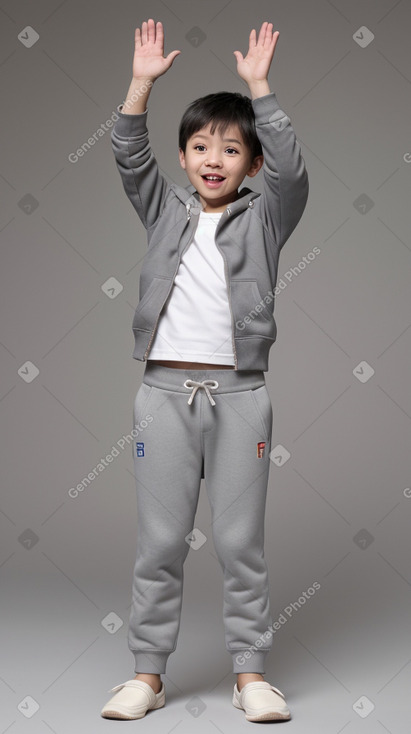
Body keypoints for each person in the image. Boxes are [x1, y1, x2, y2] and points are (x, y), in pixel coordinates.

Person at [101, 18, 308, 722]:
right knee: (159, 541)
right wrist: (140, 84)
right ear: (184, 158)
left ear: (250, 164)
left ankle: (250, 675)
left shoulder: (266, 217)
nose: (212, 158)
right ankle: (148, 675)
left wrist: (260, 91)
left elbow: (293, 171)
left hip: (241, 397)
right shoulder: (165, 213)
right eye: (198, 147)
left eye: (229, 148)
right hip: (162, 395)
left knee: (237, 541)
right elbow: (129, 157)